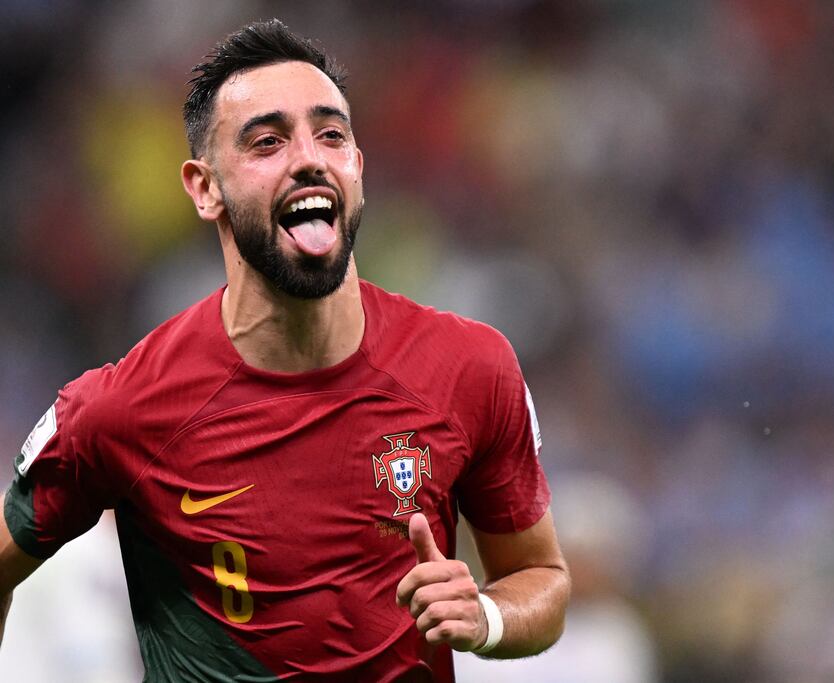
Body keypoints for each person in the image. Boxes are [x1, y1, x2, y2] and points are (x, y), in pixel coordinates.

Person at [0, 19, 569, 682]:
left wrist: (486, 616)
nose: (309, 157)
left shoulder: (470, 366)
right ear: (204, 186)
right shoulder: (117, 410)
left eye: (331, 134)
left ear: (356, 166)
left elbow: (540, 576)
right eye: (267, 141)